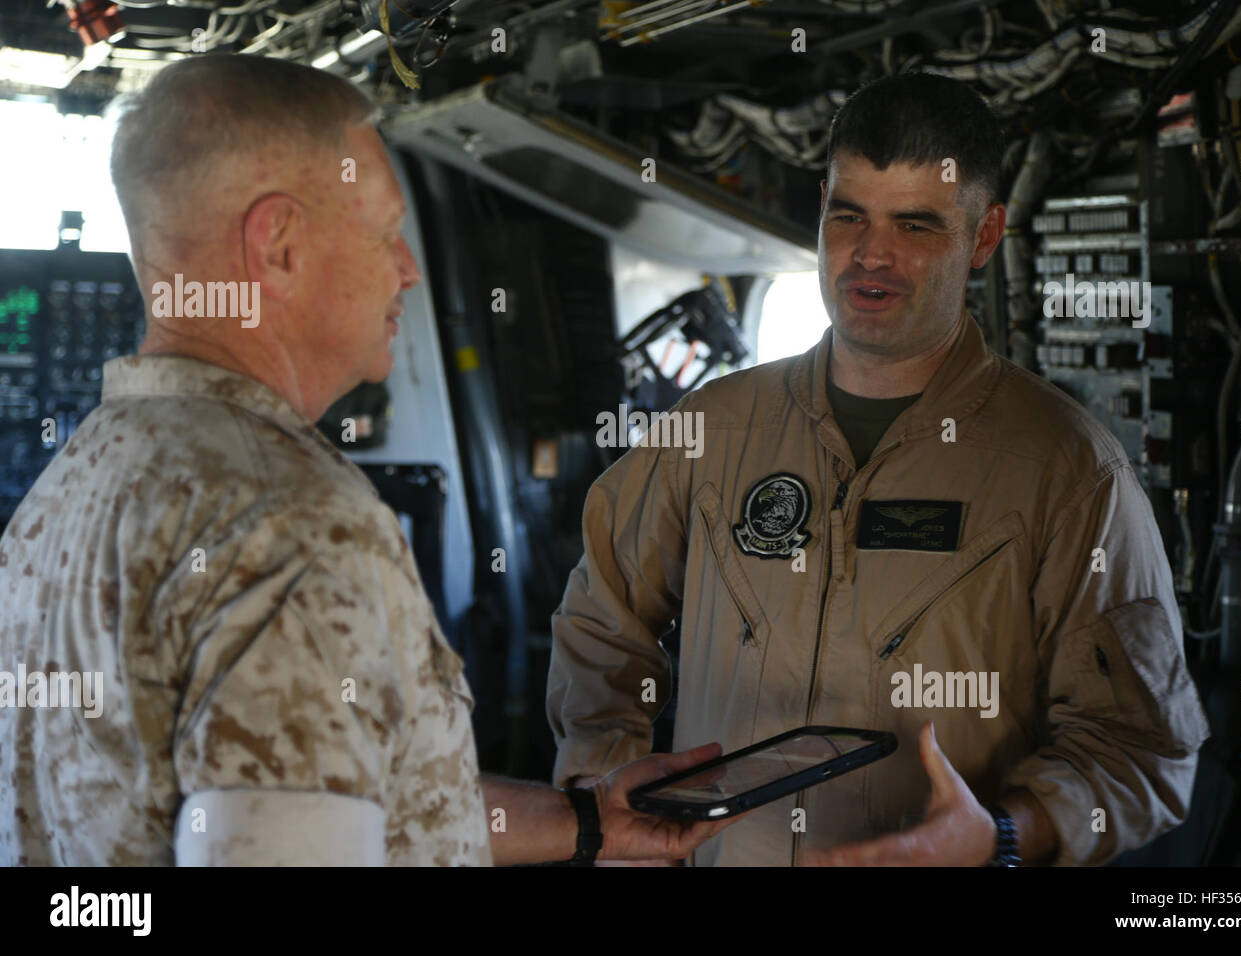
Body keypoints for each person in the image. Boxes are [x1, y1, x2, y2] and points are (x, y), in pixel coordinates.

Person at [0, 53, 735, 867]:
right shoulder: (294, 521)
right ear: (277, 243)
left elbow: (315, 797)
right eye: (387, 232)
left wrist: (587, 821)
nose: (408, 269)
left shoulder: (72, 486)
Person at [547, 72, 1211, 867]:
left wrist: (1002, 834)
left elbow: (1141, 753)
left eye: (917, 225)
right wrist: (609, 804)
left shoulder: (1069, 471)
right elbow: (602, 624)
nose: (871, 254)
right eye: (848, 215)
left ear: (986, 237)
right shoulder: (710, 429)